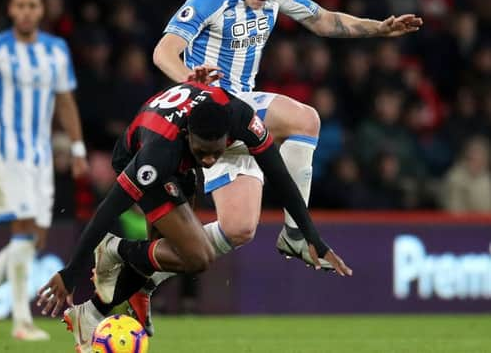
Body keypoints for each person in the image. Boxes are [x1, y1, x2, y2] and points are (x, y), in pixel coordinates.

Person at [149, 0, 422, 310]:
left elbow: (323, 20)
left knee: (238, 229)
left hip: (239, 116)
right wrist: (189, 80)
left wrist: (379, 29)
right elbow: (163, 52)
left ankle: (135, 262)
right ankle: (296, 233)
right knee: (305, 120)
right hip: (209, 109)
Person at [36, 81, 352, 352]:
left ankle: (90, 314)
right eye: (204, 153)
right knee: (196, 257)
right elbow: (108, 209)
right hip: (137, 153)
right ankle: (115, 250)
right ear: (189, 137)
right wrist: (72, 272)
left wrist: (311, 236)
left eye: (217, 151)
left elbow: (280, 176)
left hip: (180, 160)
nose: (212, 160)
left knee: (167, 254)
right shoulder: (158, 155)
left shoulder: (241, 116)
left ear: (229, 135)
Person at [0, 0, 88, 341]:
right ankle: (20, 322)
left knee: (35, 239)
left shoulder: (56, 50)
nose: (27, 11)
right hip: (5, 154)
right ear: (11, 10)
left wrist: (77, 149)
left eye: (33, 5)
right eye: (20, 5)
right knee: (25, 232)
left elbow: (65, 102)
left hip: (40, 157)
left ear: (41, 10)